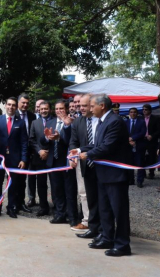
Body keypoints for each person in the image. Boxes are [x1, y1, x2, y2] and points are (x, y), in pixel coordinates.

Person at [72, 94, 132, 257]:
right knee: (104, 208)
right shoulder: (103, 122)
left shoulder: (115, 122)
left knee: (119, 211)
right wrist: (79, 150)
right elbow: (97, 144)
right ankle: (107, 237)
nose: (90, 109)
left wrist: (87, 154)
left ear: (102, 106)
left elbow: (107, 147)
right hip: (103, 174)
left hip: (115, 175)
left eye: (92, 106)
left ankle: (122, 244)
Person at [41, 100, 77, 226]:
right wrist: (46, 137)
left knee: (70, 190)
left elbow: (71, 141)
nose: (59, 111)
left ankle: (72, 217)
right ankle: (60, 215)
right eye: (56, 109)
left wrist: (60, 137)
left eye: (61, 108)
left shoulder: (72, 122)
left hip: (66, 162)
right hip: (53, 161)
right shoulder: (50, 122)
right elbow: (43, 141)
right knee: (57, 190)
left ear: (66, 109)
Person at [69, 94, 100, 237]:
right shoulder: (77, 122)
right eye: (79, 106)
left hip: (100, 164)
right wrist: (72, 156)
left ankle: (104, 224)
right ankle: (87, 221)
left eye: (84, 106)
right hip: (81, 163)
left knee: (101, 194)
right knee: (84, 193)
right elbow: (73, 142)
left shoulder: (101, 121)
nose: (81, 108)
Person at [0, 97, 28, 218]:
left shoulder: (21, 122)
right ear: (5, 105)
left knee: (13, 184)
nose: (11, 107)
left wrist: (23, 159)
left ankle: (11, 207)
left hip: (14, 158)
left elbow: (24, 142)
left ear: (16, 107)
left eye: (13, 105)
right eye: (9, 104)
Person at [28, 100, 52, 215]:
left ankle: (58, 206)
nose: (43, 111)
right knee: (41, 183)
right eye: (42, 109)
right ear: (38, 110)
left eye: (46, 108)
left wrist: (48, 151)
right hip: (39, 157)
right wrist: (39, 151)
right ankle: (43, 207)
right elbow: (31, 139)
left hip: (53, 157)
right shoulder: (35, 123)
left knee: (56, 183)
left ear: (50, 109)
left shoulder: (55, 121)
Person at [16, 93, 36, 213]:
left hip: (28, 152)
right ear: (18, 102)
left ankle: (21, 203)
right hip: (14, 152)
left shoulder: (32, 116)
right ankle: (13, 203)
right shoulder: (14, 114)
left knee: (23, 179)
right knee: (14, 179)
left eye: (27, 103)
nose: (25, 105)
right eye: (23, 102)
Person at [126, 108, 147, 187]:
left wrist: (133, 138)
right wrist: (129, 140)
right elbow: (123, 132)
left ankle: (140, 181)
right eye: (131, 112)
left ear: (137, 113)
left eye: (134, 112)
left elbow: (143, 132)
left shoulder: (141, 122)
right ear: (129, 113)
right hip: (128, 146)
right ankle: (131, 180)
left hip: (139, 145)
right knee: (129, 164)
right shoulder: (126, 122)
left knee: (140, 164)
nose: (133, 114)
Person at [143, 104, 160, 179]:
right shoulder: (141, 118)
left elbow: (159, 130)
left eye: (146, 109)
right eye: (143, 109)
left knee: (151, 157)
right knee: (142, 156)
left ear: (150, 110)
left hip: (152, 140)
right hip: (142, 140)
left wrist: (152, 136)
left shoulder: (155, 118)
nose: (144, 111)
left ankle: (151, 172)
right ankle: (142, 172)